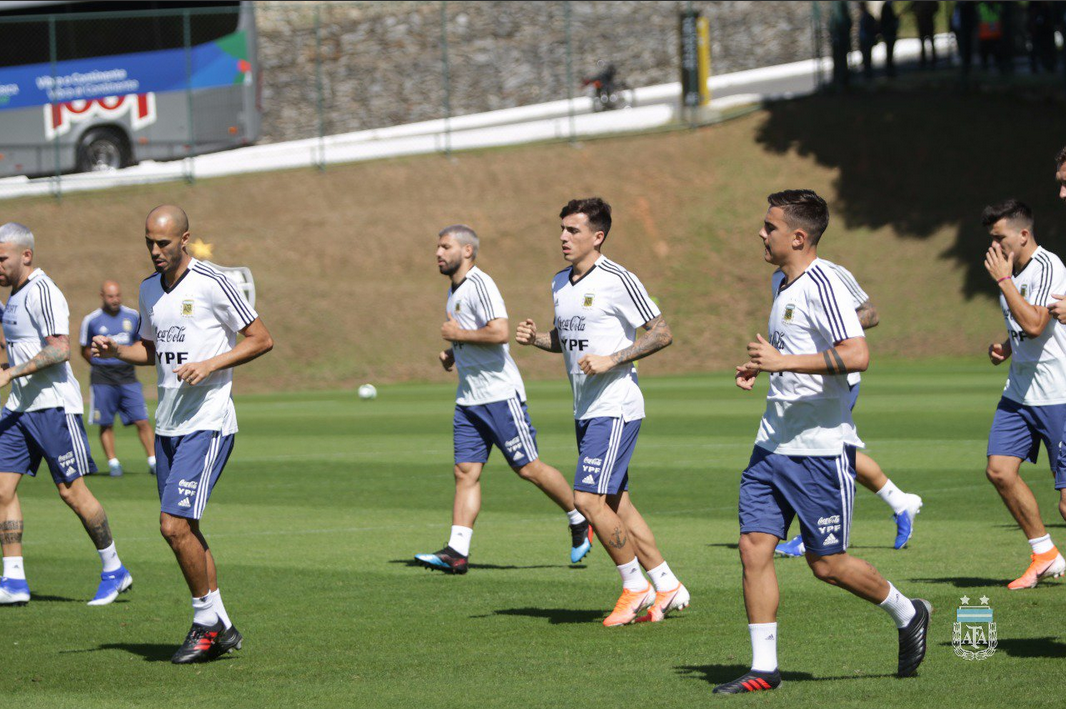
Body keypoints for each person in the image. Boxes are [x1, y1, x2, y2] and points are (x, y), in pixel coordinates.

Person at [715, 190, 929, 694]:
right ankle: (764, 668)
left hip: (819, 448)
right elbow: (807, 342)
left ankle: (908, 611)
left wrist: (784, 362)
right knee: (753, 548)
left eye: (769, 227)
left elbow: (857, 353)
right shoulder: (781, 282)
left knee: (826, 565)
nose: (760, 234)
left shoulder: (825, 281)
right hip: (772, 444)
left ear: (798, 236)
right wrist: (764, 365)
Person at [92, 205, 273, 663]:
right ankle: (223, 625)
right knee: (186, 528)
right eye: (149, 242)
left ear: (185, 239)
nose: (155, 250)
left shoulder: (211, 281)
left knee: (171, 526)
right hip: (168, 423)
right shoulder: (148, 290)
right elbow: (151, 351)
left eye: (163, 243)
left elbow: (260, 338)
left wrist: (211, 364)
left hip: (207, 422)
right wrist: (115, 348)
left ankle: (204, 623)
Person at [516, 198, 688, 627]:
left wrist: (613, 358)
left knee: (588, 499)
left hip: (616, 405)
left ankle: (635, 586)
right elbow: (568, 339)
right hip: (585, 408)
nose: (563, 237)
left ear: (598, 236)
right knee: (616, 503)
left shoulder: (618, 279)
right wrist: (538, 339)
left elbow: (661, 333)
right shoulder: (559, 283)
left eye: (573, 231)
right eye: (561, 229)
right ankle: (667, 584)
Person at [414, 225, 591, 574]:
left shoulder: (481, 283)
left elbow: (500, 332)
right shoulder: (454, 291)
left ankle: (579, 517)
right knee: (465, 472)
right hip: (469, 398)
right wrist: (455, 351)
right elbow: (475, 333)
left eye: (445, 246)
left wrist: (457, 334)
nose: (437, 253)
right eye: (436, 246)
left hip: (499, 395)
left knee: (528, 468)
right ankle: (457, 551)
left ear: (467, 251)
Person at [0, 222, 132, 607]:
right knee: (1, 489)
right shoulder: (14, 293)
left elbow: (59, 349)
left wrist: (9, 372)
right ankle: (14, 581)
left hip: (54, 407)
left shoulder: (44, 291)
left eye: (2, 258)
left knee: (71, 492)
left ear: (26, 255)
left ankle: (114, 569)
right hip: (18, 409)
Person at [774, 259, 923, 556]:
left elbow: (870, 313)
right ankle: (900, 502)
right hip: (799, 381)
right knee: (837, 452)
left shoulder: (830, 273)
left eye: (771, 227)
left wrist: (830, 327)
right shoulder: (779, 276)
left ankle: (812, 534)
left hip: (833, 381)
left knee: (813, 453)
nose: (763, 235)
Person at [981, 199, 1066, 590]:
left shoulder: (1049, 267)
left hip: (1058, 394)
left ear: (1024, 235)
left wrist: (1004, 281)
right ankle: (1045, 554)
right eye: (991, 239)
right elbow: (1029, 328)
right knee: (999, 470)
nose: (995, 247)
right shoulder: (1013, 272)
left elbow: (1035, 323)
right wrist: (1007, 346)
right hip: (1020, 393)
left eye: (1000, 238)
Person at [79, 281, 155, 477]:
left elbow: (141, 342)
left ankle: (154, 461)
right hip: (103, 378)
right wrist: (99, 364)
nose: (115, 300)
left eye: (118, 296)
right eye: (111, 296)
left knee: (142, 420)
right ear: (102, 296)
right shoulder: (92, 320)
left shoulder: (132, 316)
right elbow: (84, 349)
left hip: (128, 376)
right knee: (106, 422)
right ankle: (113, 463)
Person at [913, 1, 939, 69]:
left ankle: (932, 59)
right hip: (923, 24)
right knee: (924, 43)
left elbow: (936, 8)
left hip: (927, 23)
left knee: (930, 42)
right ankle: (925, 59)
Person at [858, 3, 879, 80]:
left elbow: (872, 28)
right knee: (866, 58)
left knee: (867, 58)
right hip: (864, 40)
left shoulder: (868, 17)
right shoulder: (864, 17)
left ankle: (868, 75)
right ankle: (867, 74)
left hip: (867, 39)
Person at [880, 1, 900, 78]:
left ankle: (890, 69)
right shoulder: (886, 7)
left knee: (890, 52)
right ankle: (889, 70)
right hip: (889, 33)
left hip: (889, 33)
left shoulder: (887, 7)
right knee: (889, 52)